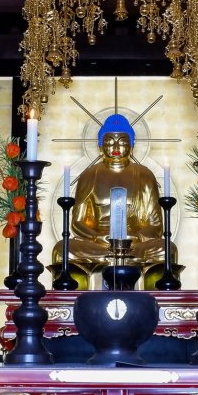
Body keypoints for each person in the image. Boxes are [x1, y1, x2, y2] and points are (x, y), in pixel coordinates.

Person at [52, 114, 178, 289]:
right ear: (100, 144)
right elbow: (77, 222)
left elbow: (156, 225)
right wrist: (97, 237)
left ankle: (159, 297)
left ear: (132, 145)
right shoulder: (90, 175)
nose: (116, 146)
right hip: (98, 245)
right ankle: (70, 299)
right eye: (110, 141)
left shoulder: (144, 175)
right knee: (63, 250)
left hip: (135, 245)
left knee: (167, 250)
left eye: (123, 141)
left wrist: (135, 237)